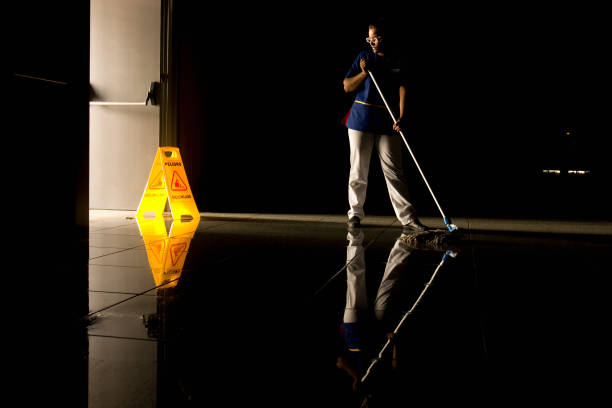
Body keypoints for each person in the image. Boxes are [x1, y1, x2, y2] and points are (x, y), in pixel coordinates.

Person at [342, 20, 431, 231]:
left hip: (386, 120)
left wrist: (402, 116)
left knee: (394, 171)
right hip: (360, 119)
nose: (373, 42)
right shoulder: (363, 58)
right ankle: (355, 214)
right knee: (358, 168)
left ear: (385, 37)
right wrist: (364, 72)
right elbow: (347, 86)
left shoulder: (398, 59)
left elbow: (403, 87)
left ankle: (408, 218)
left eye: (377, 37)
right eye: (369, 38)